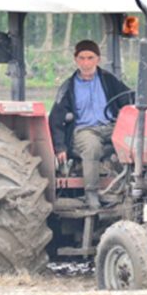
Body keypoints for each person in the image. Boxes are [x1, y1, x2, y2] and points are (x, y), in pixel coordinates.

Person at [50, 39, 133, 210]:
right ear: (76, 60)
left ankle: (129, 189)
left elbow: (128, 98)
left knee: (132, 142)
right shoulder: (68, 87)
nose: (86, 63)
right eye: (82, 58)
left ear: (98, 59)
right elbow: (55, 118)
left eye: (90, 58)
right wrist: (60, 147)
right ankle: (92, 194)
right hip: (84, 130)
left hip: (110, 126)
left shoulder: (109, 80)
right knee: (92, 147)